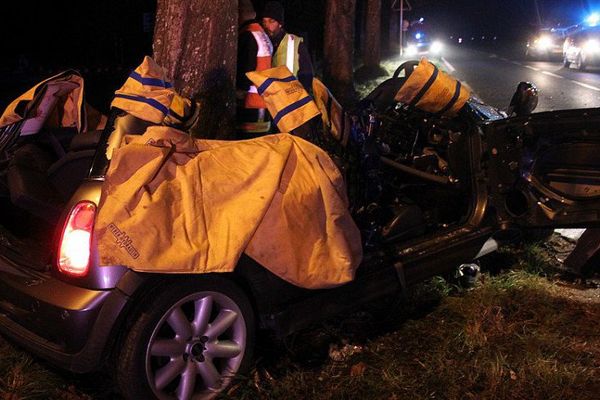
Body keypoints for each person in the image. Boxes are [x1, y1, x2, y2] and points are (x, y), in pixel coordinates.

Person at [236, 0, 273, 137]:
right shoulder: (263, 36)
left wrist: (237, 92)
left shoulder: (248, 36)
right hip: (264, 105)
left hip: (249, 105)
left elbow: (246, 70)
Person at [261, 1, 314, 92]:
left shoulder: (295, 44)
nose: (267, 25)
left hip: (289, 101)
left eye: (271, 21)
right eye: (264, 21)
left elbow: (307, 75)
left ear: (280, 24)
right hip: (266, 101)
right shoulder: (261, 42)